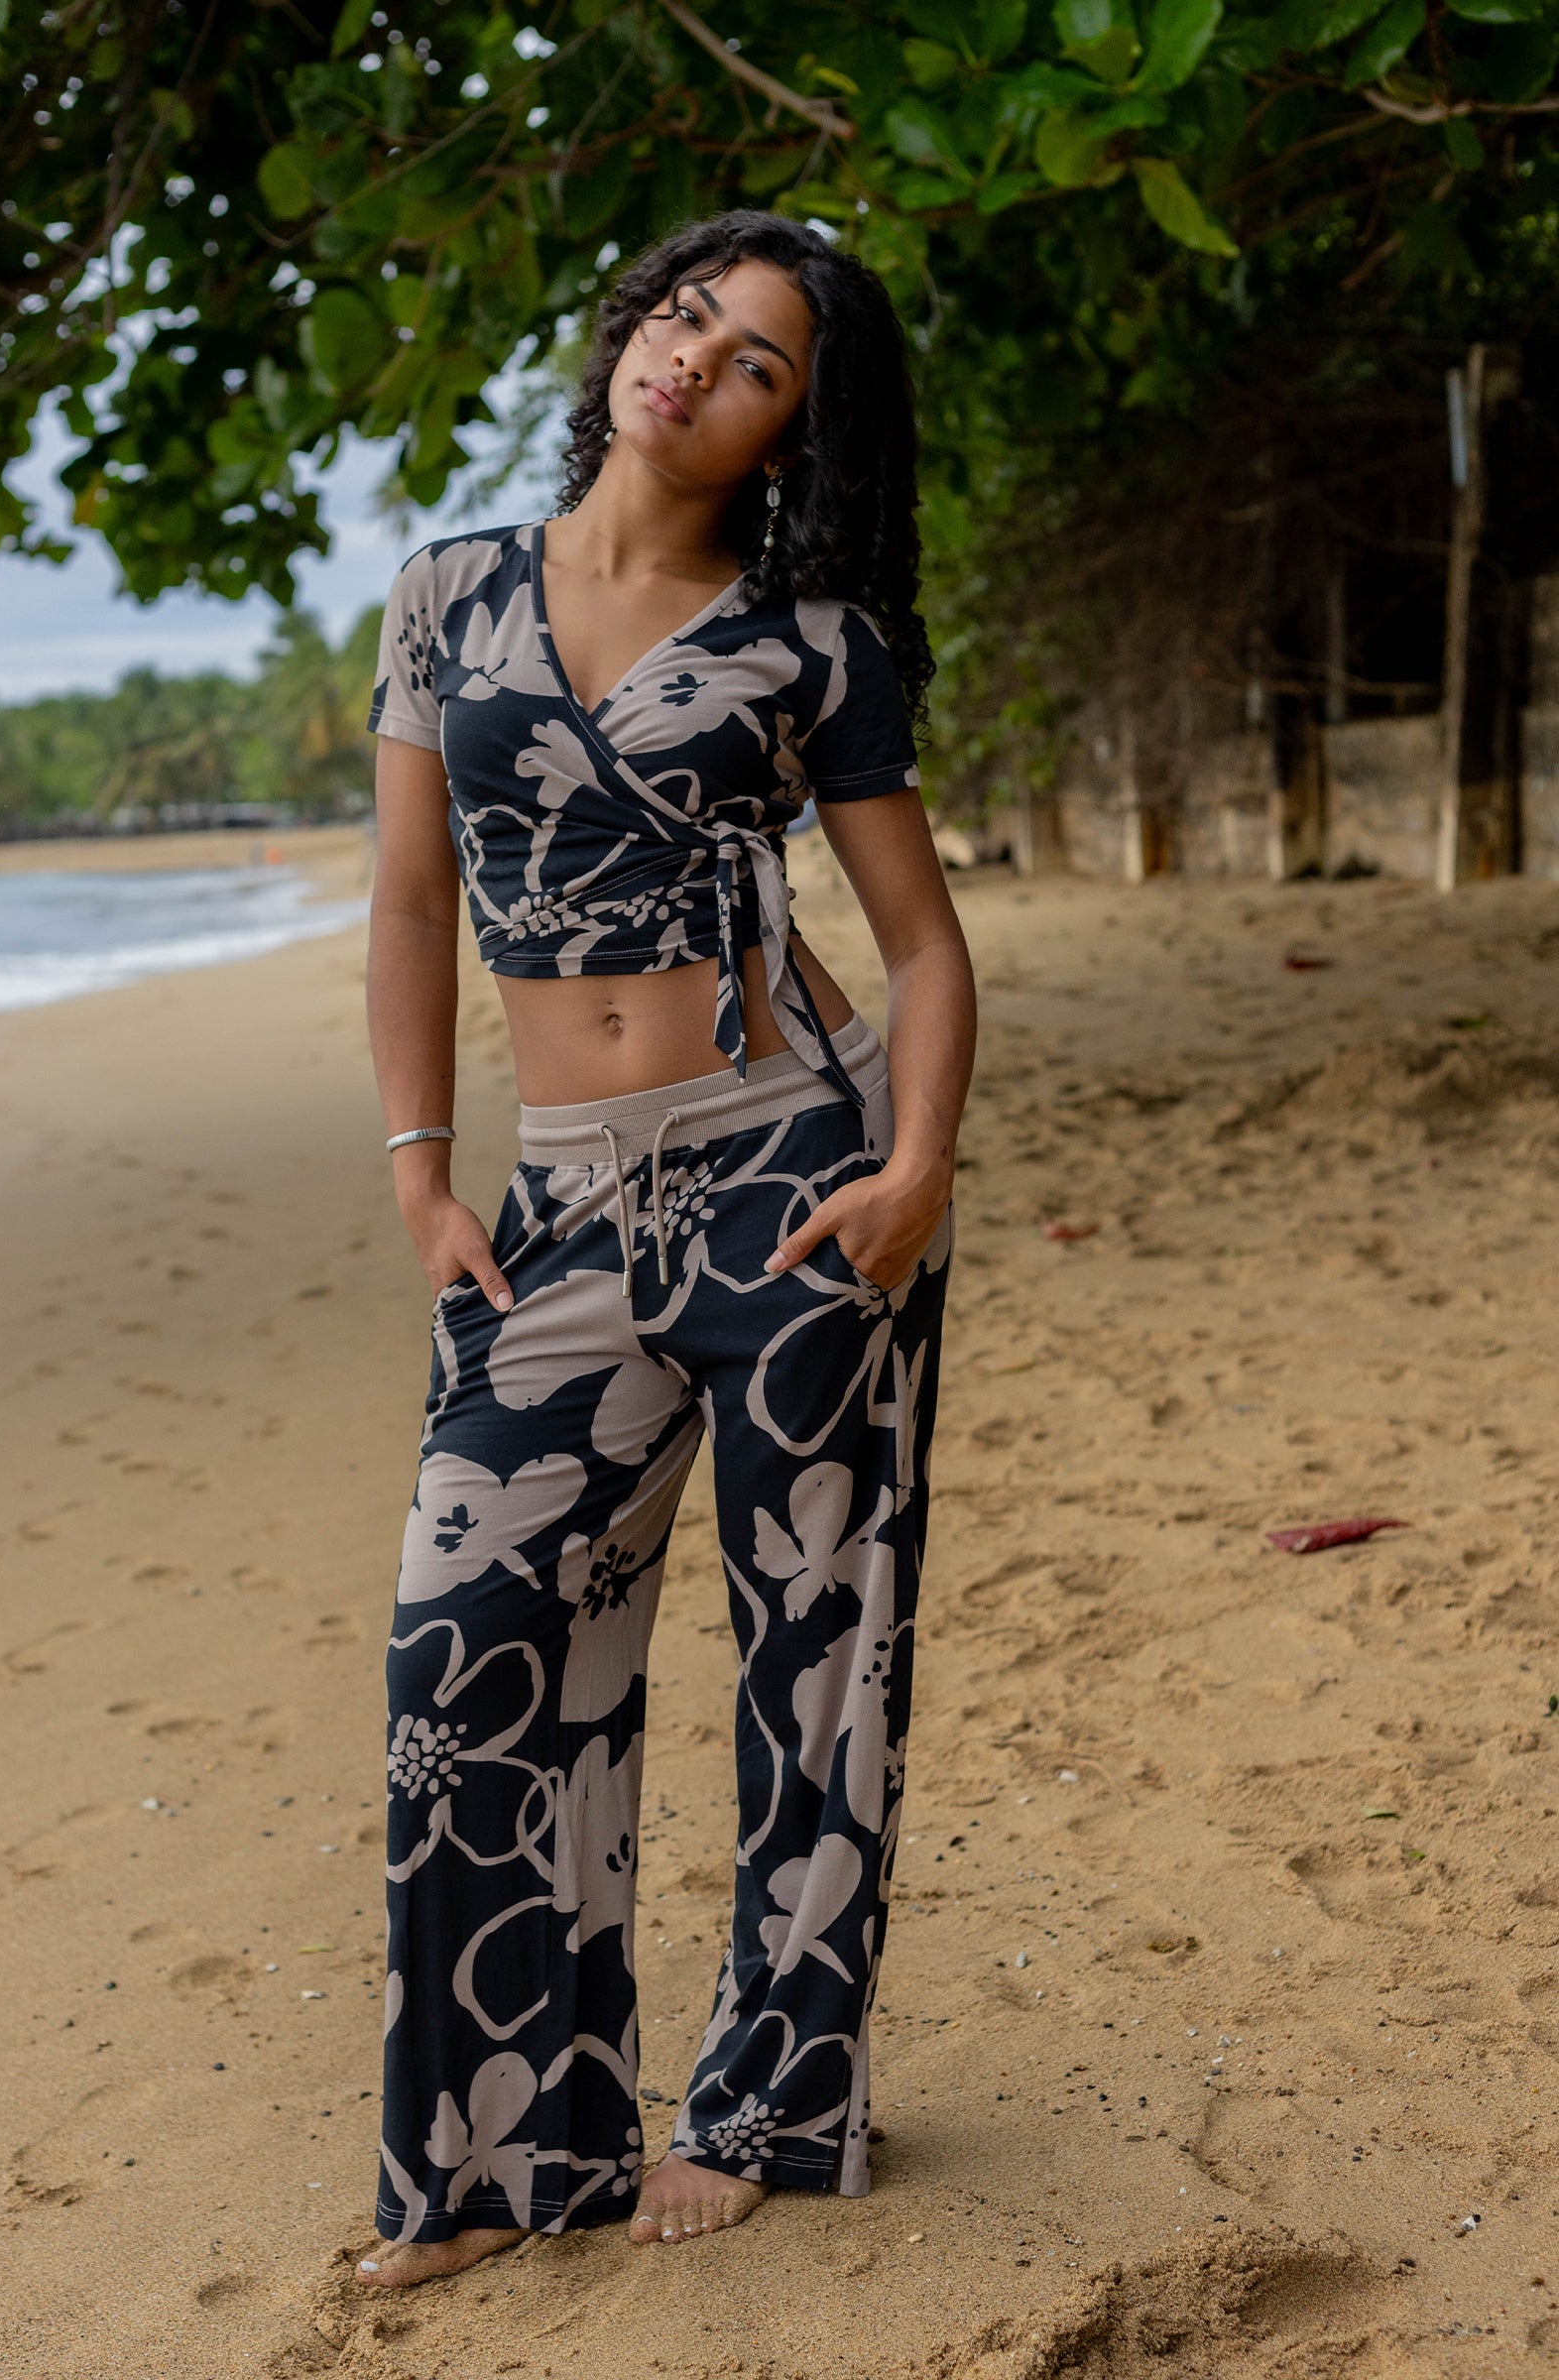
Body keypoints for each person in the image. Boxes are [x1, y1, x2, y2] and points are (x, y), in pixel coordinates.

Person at [359, 211, 976, 2289]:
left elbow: (923, 948)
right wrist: (425, 1175)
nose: (695, 363)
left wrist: (914, 1174)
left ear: (795, 436)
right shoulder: (449, 594)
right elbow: (408, 912)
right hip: (555, 1202)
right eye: (686, 317)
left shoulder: (814, 647)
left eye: (761, 362)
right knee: (465, 1655)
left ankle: (772, 2105)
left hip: (790, 1170)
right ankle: (492, 2157)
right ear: (631, 331)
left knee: (822, 1661)